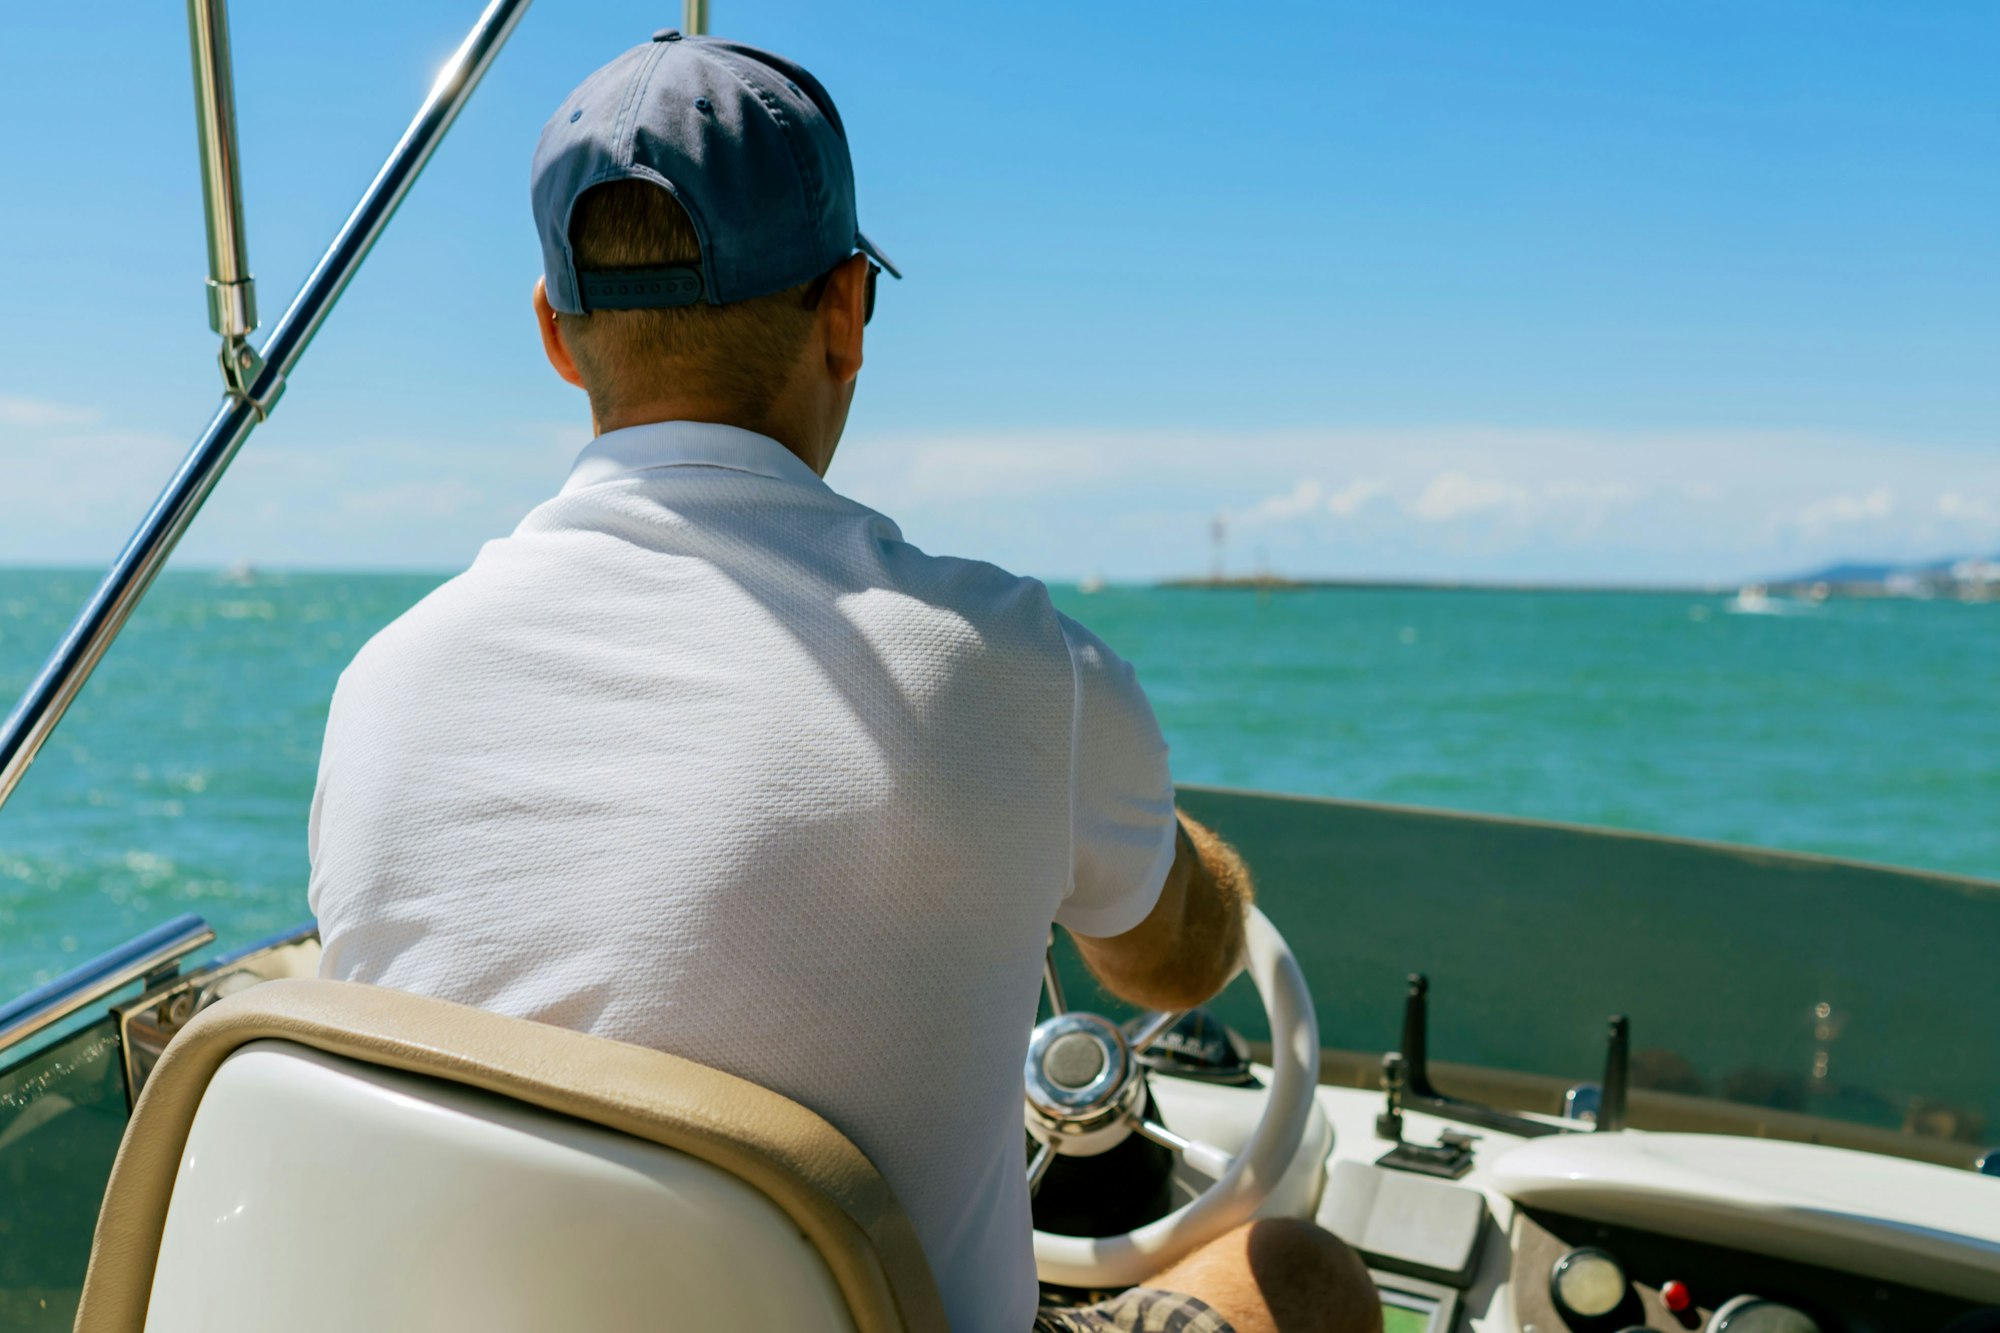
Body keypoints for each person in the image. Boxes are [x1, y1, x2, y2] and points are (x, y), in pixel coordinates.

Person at [307, 29, 1379, 1333]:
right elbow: (1176, 963)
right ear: (844, 314)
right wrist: (1163, 857)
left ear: (557, 334)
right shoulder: (1011, 664)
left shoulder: (381, 689)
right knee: (1305, 1280)